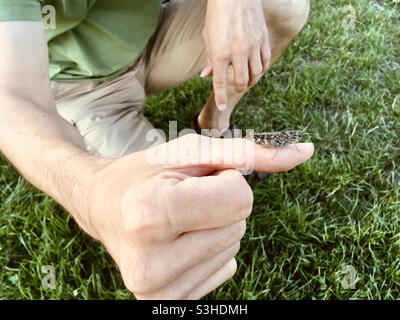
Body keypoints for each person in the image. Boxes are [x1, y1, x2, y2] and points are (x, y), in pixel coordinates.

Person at [0, 0, 313, 299]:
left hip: (151, 40)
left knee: (281, 4)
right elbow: (13, 98)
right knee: (180, 208)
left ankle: (214, 125)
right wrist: (91, 193)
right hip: (84, 87)